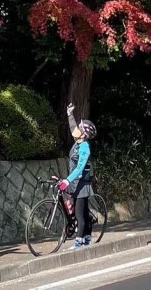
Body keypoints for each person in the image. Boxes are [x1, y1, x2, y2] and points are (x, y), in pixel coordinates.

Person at [58, 103, 97, 249]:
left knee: (80, 215)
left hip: (82, 184)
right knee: (84, 212)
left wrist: (67, 180)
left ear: (84, 133)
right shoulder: (78, 141)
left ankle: (79, 242)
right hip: (76, 183)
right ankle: (87, 238)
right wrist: (70, 114)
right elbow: (73, 128)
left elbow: (80, 167)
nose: (77, 129)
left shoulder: (85, 147)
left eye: (80, 128)